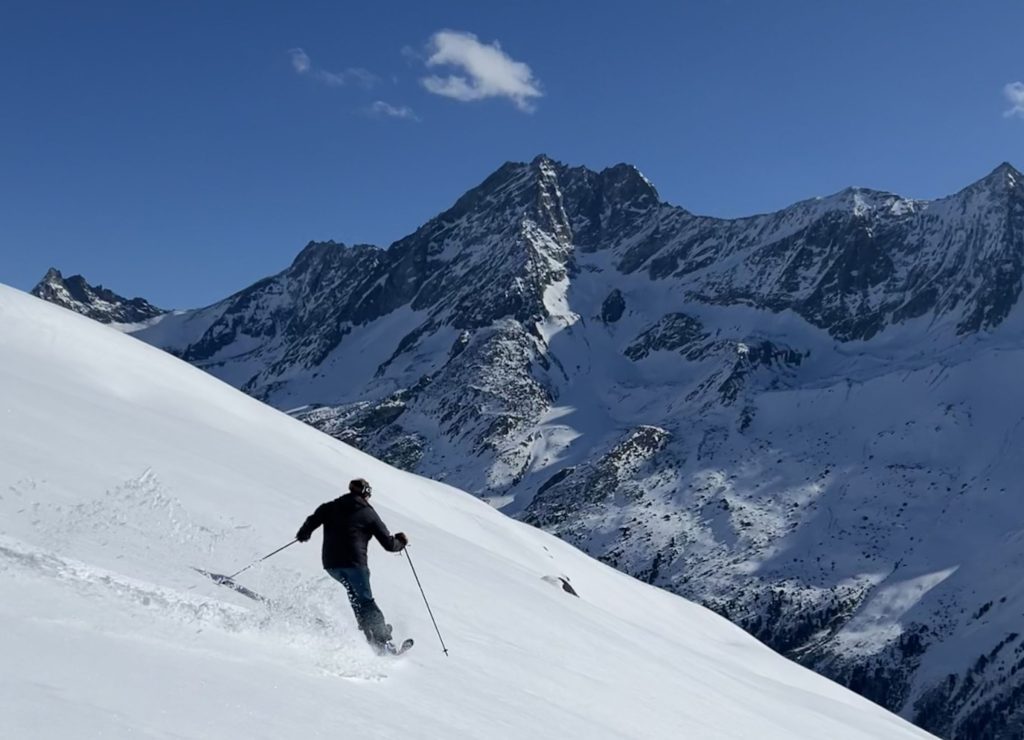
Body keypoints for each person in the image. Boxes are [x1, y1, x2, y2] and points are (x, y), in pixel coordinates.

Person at [296, 478, 408, 653]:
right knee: (365, 600)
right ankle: (382, 640)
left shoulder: (331, 506)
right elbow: (388, 544)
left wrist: (304, 533)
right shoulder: (368, 513)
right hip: (355, 564)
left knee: (355, 597)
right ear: (366, 493)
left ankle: (370, 634)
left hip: (331, 565)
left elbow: (312, 520)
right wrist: (401, 542)